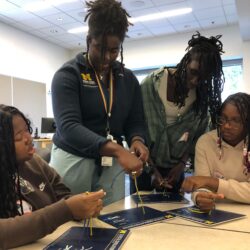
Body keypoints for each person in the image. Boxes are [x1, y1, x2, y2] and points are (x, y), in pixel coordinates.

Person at [50, 0, 149, 205]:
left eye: (113, 50)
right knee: (68, 224)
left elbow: (135, 120)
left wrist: (137, 140)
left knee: (113, 219)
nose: (106, 57)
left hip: (111, 163)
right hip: (73, 158)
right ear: (88, 40)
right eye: (99, 48)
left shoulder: (127, 79)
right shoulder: (68, 75)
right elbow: (69, 127)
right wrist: (117, 150)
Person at [0, 105, 105, 249]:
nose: (29, 138)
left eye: (27, 130)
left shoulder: (36, 163)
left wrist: (84, 207)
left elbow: (64, 196)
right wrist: (66, 210)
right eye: (18, 136)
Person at [138, 32, 225, 193]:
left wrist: (181, 164)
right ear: (186, 60)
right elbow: (137, 127)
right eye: (193, 72)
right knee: (140, 212)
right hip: (144, 165)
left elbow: (196, 137)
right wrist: (151, 169)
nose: (195, 82)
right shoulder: (151, 85)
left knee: (174, 214)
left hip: (176, 172)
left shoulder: (201, 99)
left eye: (203, 78)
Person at [181, 92, 250, 211]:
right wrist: (200, 197)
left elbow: (206, 181)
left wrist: (213, 182)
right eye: (223, 118)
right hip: (217, 211)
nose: (227, 126)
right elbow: (201, 184)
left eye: (236, 120)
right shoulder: (205, 142)